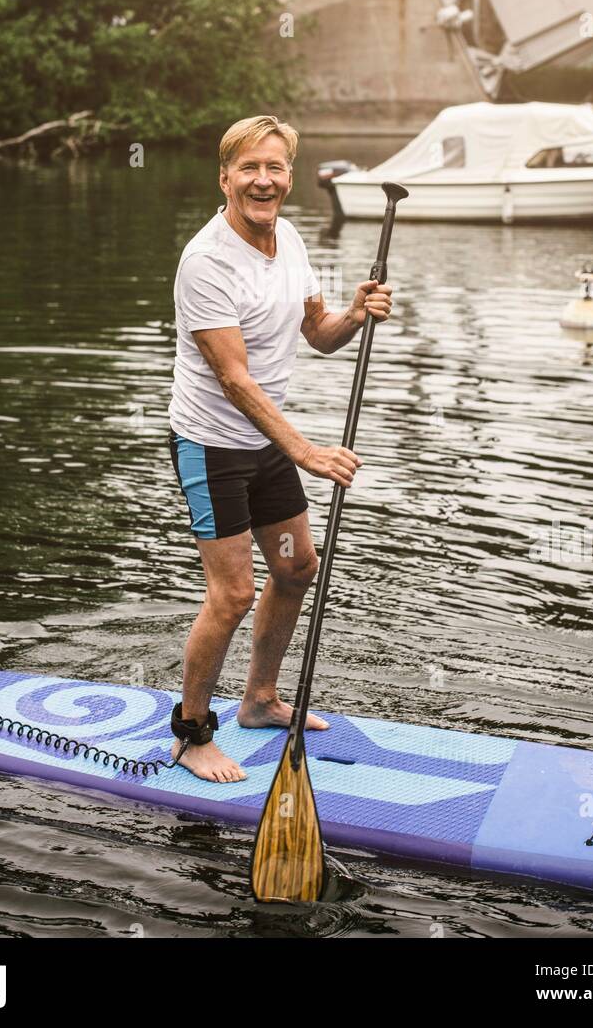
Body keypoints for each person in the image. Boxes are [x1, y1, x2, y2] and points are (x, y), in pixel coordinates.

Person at [167, 114, 393, 782]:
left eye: (275, 168)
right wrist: (305, 450)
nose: (263, 181)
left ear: (289, 177)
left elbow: (317, 332)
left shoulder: (290, 239)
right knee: (232, 594)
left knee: (295, 569)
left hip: (266, 444)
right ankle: (189, 733)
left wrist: (354, 313)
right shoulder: (206, 261)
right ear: (225, 177)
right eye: (249, 168)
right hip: (214, 447)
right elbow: (233, 378)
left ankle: (259, 701)